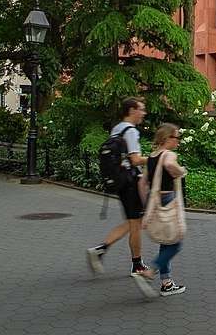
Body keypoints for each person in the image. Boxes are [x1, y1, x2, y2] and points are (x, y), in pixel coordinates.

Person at [86, 97, 157, 296]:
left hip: (120, 182)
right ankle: (137, 264)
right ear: (132, 110)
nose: (144, 113)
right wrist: (154, 158)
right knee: (135, 224)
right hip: (131, 182)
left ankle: (100, 250)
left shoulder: (117, 129)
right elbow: (134, 160)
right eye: (141, 109)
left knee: (132, 221)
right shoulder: (131, 131)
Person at [144, 124, 188, 297]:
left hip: (154, 200)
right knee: (176, 243)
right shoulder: (169, 154)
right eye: (176, 138)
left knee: (166, 242)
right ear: (167, 138)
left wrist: (145, 208)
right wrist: (181, 171)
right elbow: (170, 165)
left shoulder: (152, 156)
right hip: (168, 199)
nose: (178, 141)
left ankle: (166, 283)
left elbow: (143, 183)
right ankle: (151, 270)